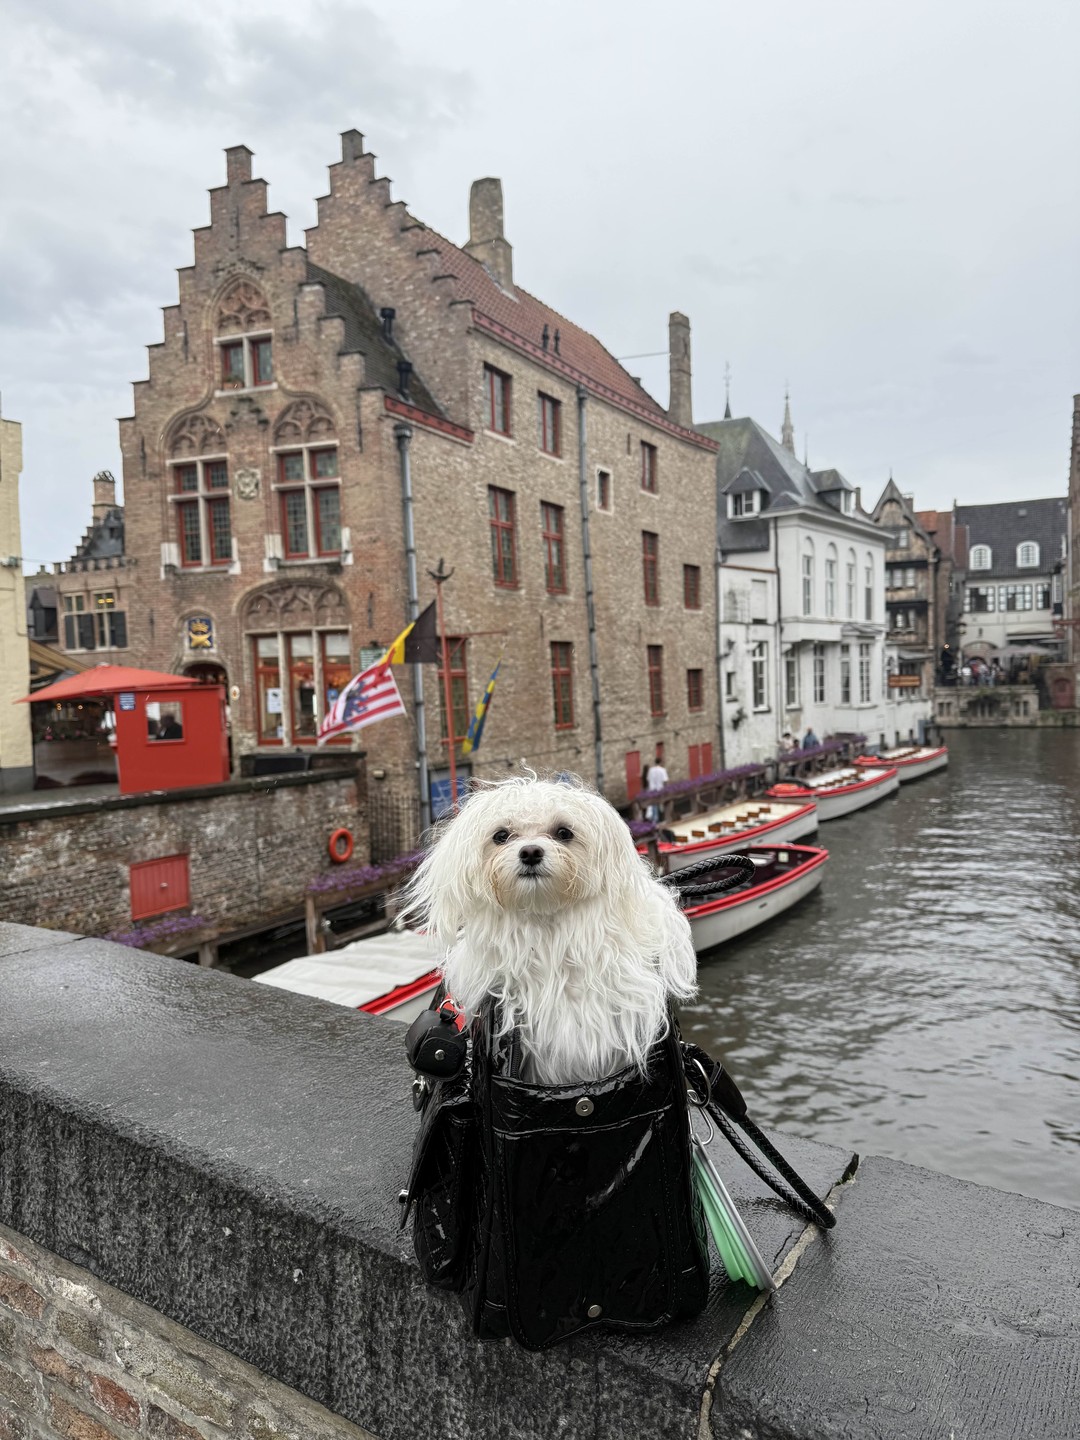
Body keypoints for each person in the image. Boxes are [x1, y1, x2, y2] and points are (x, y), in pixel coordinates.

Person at [644, 754, 669, 822]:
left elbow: (648, 780)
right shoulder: (662, 770)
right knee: (661, 804)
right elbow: (665, 781)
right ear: (660, 762)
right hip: (660, 789)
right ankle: (662, 818)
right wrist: (666, 789)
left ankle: (655, 819)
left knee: (654, 805)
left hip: (652, 789)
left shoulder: (651, 770)